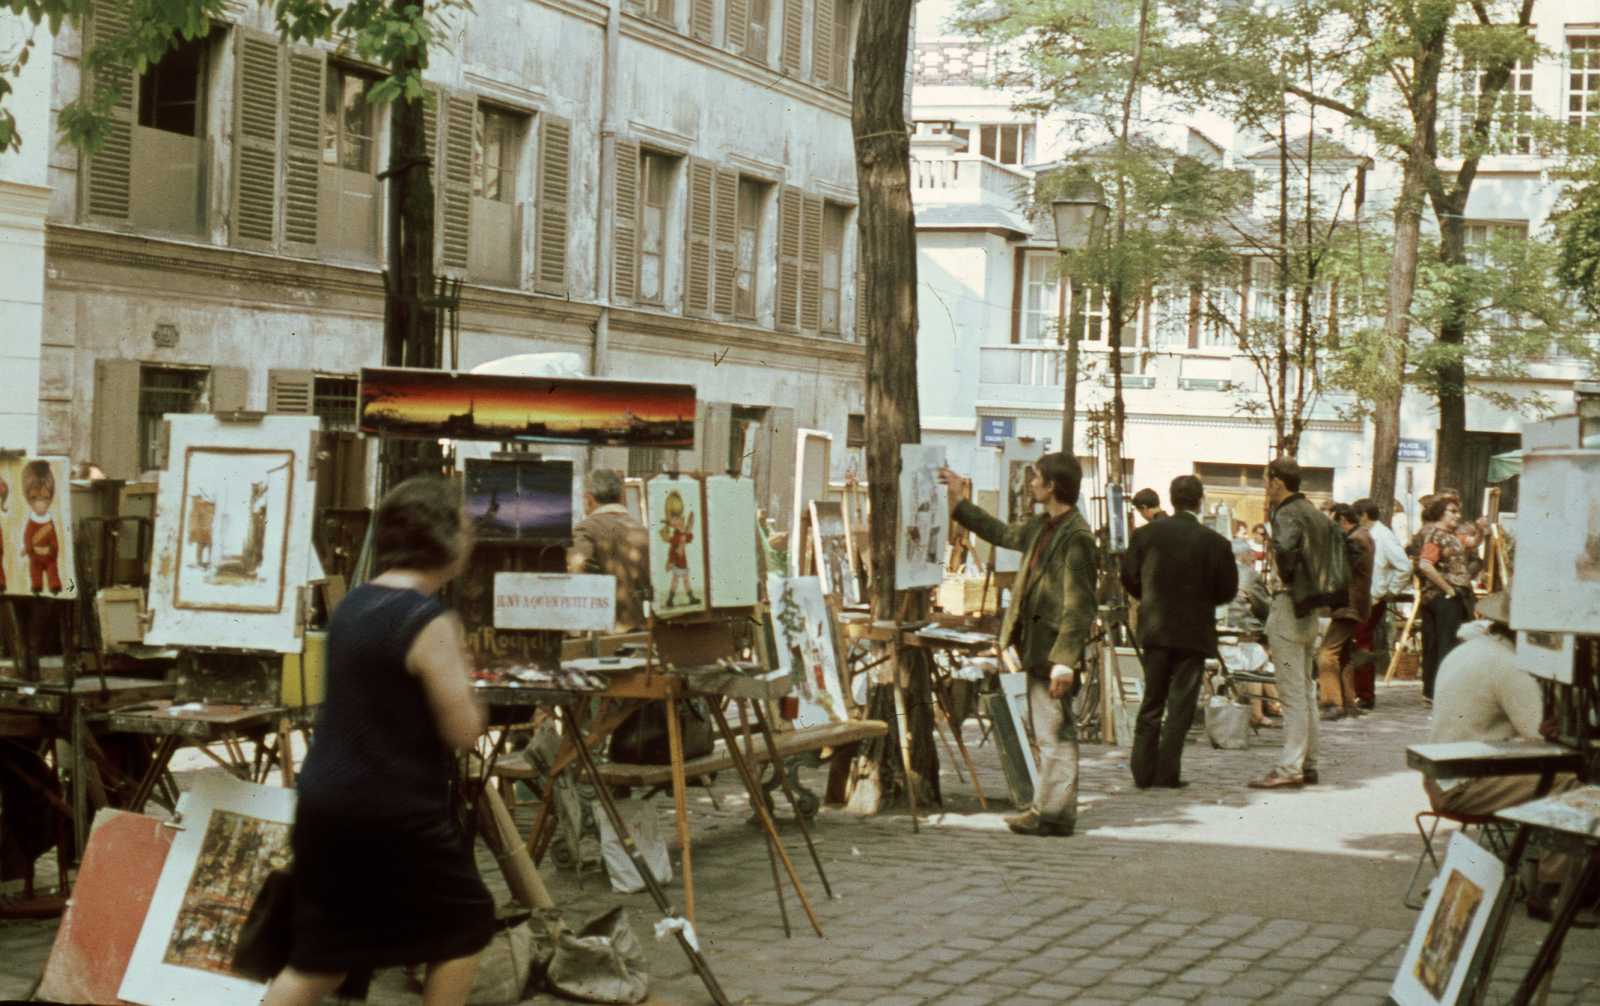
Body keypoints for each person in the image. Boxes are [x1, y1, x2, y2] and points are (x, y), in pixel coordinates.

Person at [264, 476, 492, 1006]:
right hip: (389, 813)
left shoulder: (353, 605)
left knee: (324, 956)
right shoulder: (427, 619)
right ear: (440, 538)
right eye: (464, 525)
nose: (471, 536)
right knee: (467, 922)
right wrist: (468, 679)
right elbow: (462, 733)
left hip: (325, 805)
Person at [938, 453, 1097, 837]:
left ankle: (1054, 815)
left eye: (1036, 478)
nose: (1030, 484)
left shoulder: (1077, 537)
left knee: (1055, 734)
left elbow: (1079, 607)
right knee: (1048, 733)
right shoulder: (1044, 526)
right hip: (1037, 647)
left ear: (1052, 486)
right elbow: (1001, 533)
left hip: (1052, 652)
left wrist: (1064, 662)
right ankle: (1048, 808)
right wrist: (959, 502)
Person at [1425, 592, 1582, 917]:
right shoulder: (1509, 664)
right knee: (1569, 783)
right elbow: (1542, 739)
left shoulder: (1471, 648)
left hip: (1444, 776)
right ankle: (1552, 889)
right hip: (1463, 785)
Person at [1120, 474, 1237, 789]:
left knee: (1152, 699)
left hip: (1156, 630)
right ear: (1200, 502)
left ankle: (1142, 772)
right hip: (1193, 632)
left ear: (1171, 499)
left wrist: (1149, 597)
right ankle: (1167, 772)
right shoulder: (1216, 542)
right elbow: (1227, 590)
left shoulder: (1144, 535)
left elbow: (1128, 576)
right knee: (1181, 706)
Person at [1248, 456, 1333, 789]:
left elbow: (1284, 549)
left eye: (1264, 479)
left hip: (1288, 604)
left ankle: (1290, 768)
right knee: (1306, 691)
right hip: (1310, 609)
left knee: (1293, 693)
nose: (1264, 487)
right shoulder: (1314, 512)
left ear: (1277, 482)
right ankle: (1307, 763)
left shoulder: (1285, 513)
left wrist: (1288, 576)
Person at [568, 469, 652, 633]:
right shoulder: (643, 532)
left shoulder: (585, 529)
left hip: (602, 636)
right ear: (621, 498)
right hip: (640, 633)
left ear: (589, 499)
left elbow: (578, 569)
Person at [1316, 504, 1373, 720]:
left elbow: (1336, 567)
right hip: (1353, 605)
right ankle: (1349, 704)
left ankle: (1332, 704)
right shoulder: (1363, 535)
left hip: (1348, 606)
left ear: (1341, 521)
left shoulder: (1356, 539)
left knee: (1326, 653)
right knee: (1344, 655)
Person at [1416, 495, 1473, 704]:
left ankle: (1430, 693)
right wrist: (1448, 588)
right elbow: (1425, 564)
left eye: (1458, 512)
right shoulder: (1437, 535)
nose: (1458, 516)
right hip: (1443, 598)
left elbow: (1474, 541)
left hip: (1439, 597)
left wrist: (1482, 528)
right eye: (1453, 512)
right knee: (1445, 644)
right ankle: (1441, 692)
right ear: (1441, 513)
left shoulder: (1450, 535)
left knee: (1434, 644)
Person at [1354, 496, 1410, 708]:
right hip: (1364, 596)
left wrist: (1390, 591)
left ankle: (1365, 695)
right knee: (1360, 642)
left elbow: (1404, 566)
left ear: (1364, 516)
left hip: (1373, 598)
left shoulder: (1384, 536)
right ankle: (1361, 692)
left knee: (1361, 642)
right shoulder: (1370, 534)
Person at [20, 461, 62, 595]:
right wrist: (32, 551)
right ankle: (36, 586)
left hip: (48, 554)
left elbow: (53, 538)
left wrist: (53, 551)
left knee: (53, 569)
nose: (40, 504)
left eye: (45, 498)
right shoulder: (32, 523)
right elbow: (27, 537)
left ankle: (54, 585)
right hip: (36, 555)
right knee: (35, 570)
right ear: (27, 499)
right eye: (34, 498)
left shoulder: (49, 523)